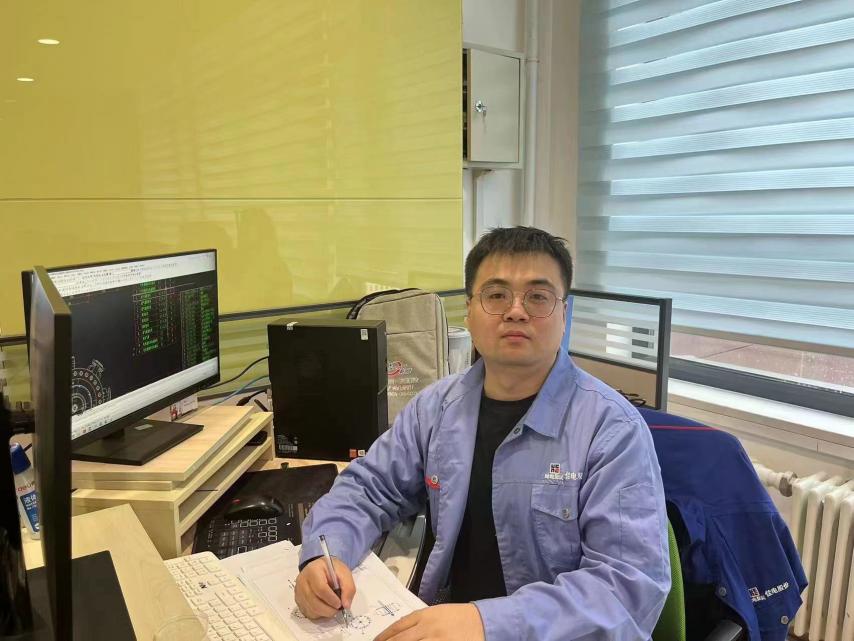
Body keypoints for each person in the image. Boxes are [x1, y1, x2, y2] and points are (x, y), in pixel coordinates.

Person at [295, 226, 670, 641]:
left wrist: (486, 623)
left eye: (538, 297)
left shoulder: (611, 430)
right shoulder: (435, 408)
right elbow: (369, 489)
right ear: (470, 311)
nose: (516, 311)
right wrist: (324, 555)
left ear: (564, 314)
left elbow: (627, 590)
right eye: (496, 295)